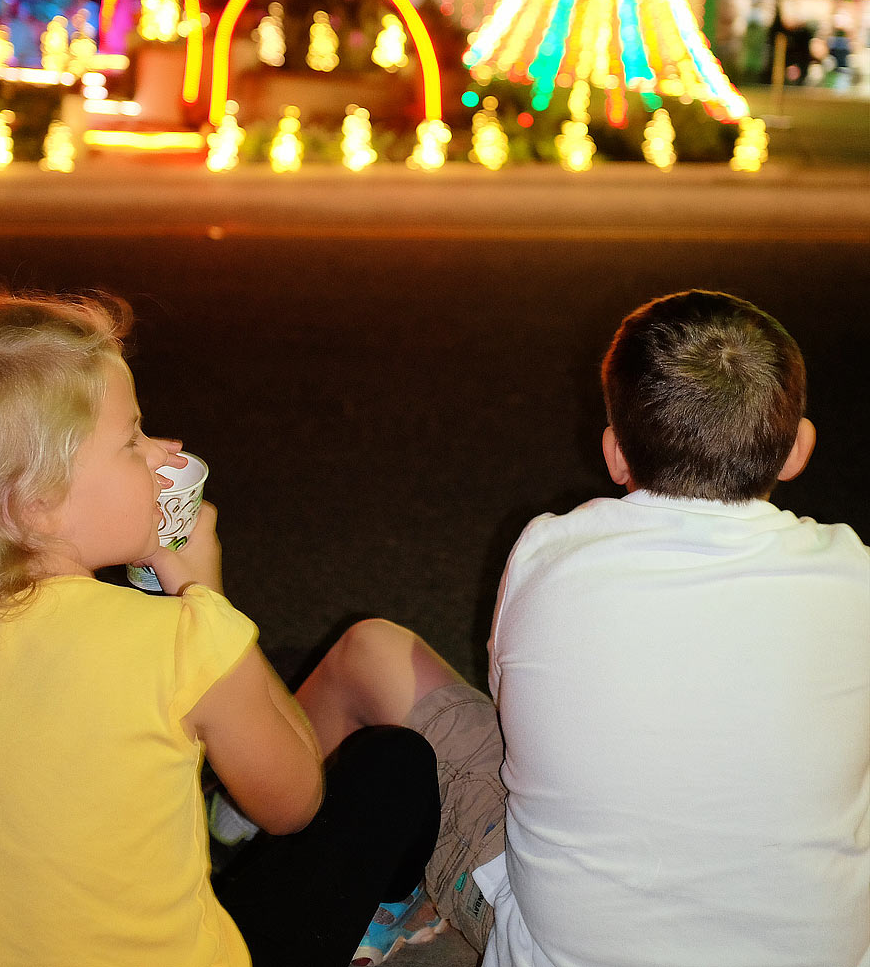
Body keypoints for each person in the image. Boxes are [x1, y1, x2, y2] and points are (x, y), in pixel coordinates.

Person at [290, 290, 869, 967]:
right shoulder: (856, 574)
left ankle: (244, 815)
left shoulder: (552, 551)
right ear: (798, 449)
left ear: (616, 454)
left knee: (372, 649)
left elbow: (514, 713)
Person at [0, 290, 439, 967]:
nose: (167, 453)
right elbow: (295, 804)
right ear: (37, 503)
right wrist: (210, 602)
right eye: (132, 440)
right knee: (394, 766)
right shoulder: (180, 639)